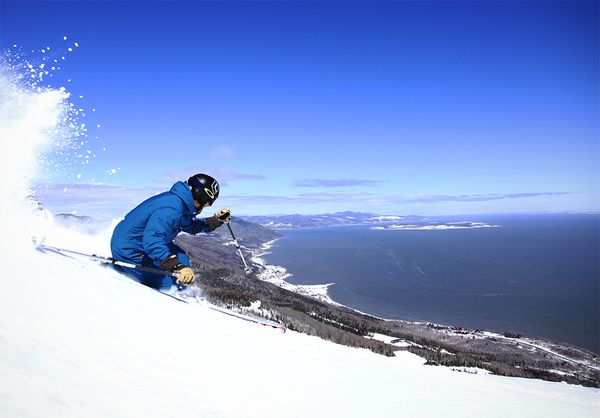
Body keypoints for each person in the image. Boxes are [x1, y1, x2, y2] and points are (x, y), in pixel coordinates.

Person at [110, 173, 231, 290]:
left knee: (182, 259)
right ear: (200, 196)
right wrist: (176, 266)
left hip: (139, 242)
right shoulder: (172, 208)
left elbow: (191, 226)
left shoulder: (180, 203)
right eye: (206, 204)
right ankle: (116, 269)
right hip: (130, 249)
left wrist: (217, 220)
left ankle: (175, 286)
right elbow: (153, 239)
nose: (204, 208)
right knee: (166, 283)